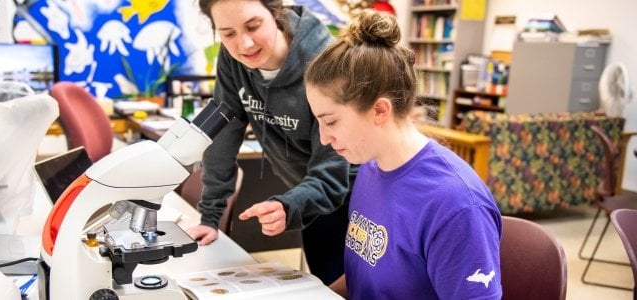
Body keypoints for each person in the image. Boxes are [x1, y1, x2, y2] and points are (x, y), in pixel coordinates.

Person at [304, 10, 502, 299]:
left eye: (331, 121)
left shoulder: (456, 205)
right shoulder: (371, 166)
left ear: (380, 110)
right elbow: (365, 276)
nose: (323, 137)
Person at [184, 0, 353, 285]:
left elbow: (333, 169)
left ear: (275, 13)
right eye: (228, 33)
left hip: (353, 194)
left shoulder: (323, 61)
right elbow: (224, 134)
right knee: (325, 285)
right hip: (308, 195)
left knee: (353, 287)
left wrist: (289, 205)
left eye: (253, 26)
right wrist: (209, 218)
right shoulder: (233, 57)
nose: (244, 44)